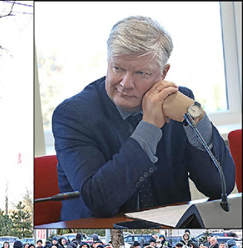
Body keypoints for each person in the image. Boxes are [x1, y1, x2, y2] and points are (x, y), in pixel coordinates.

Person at [52, 16, 235, 220]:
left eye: (141, 73)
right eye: (118, 68)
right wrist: (149, 127)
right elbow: (100, 202)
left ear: (163, 73)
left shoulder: (178, 102)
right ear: (108, 62)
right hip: (95, 228)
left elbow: (221, 187)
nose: (125, 83)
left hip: (168, 228)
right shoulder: (72, 115)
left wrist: (196, 116)